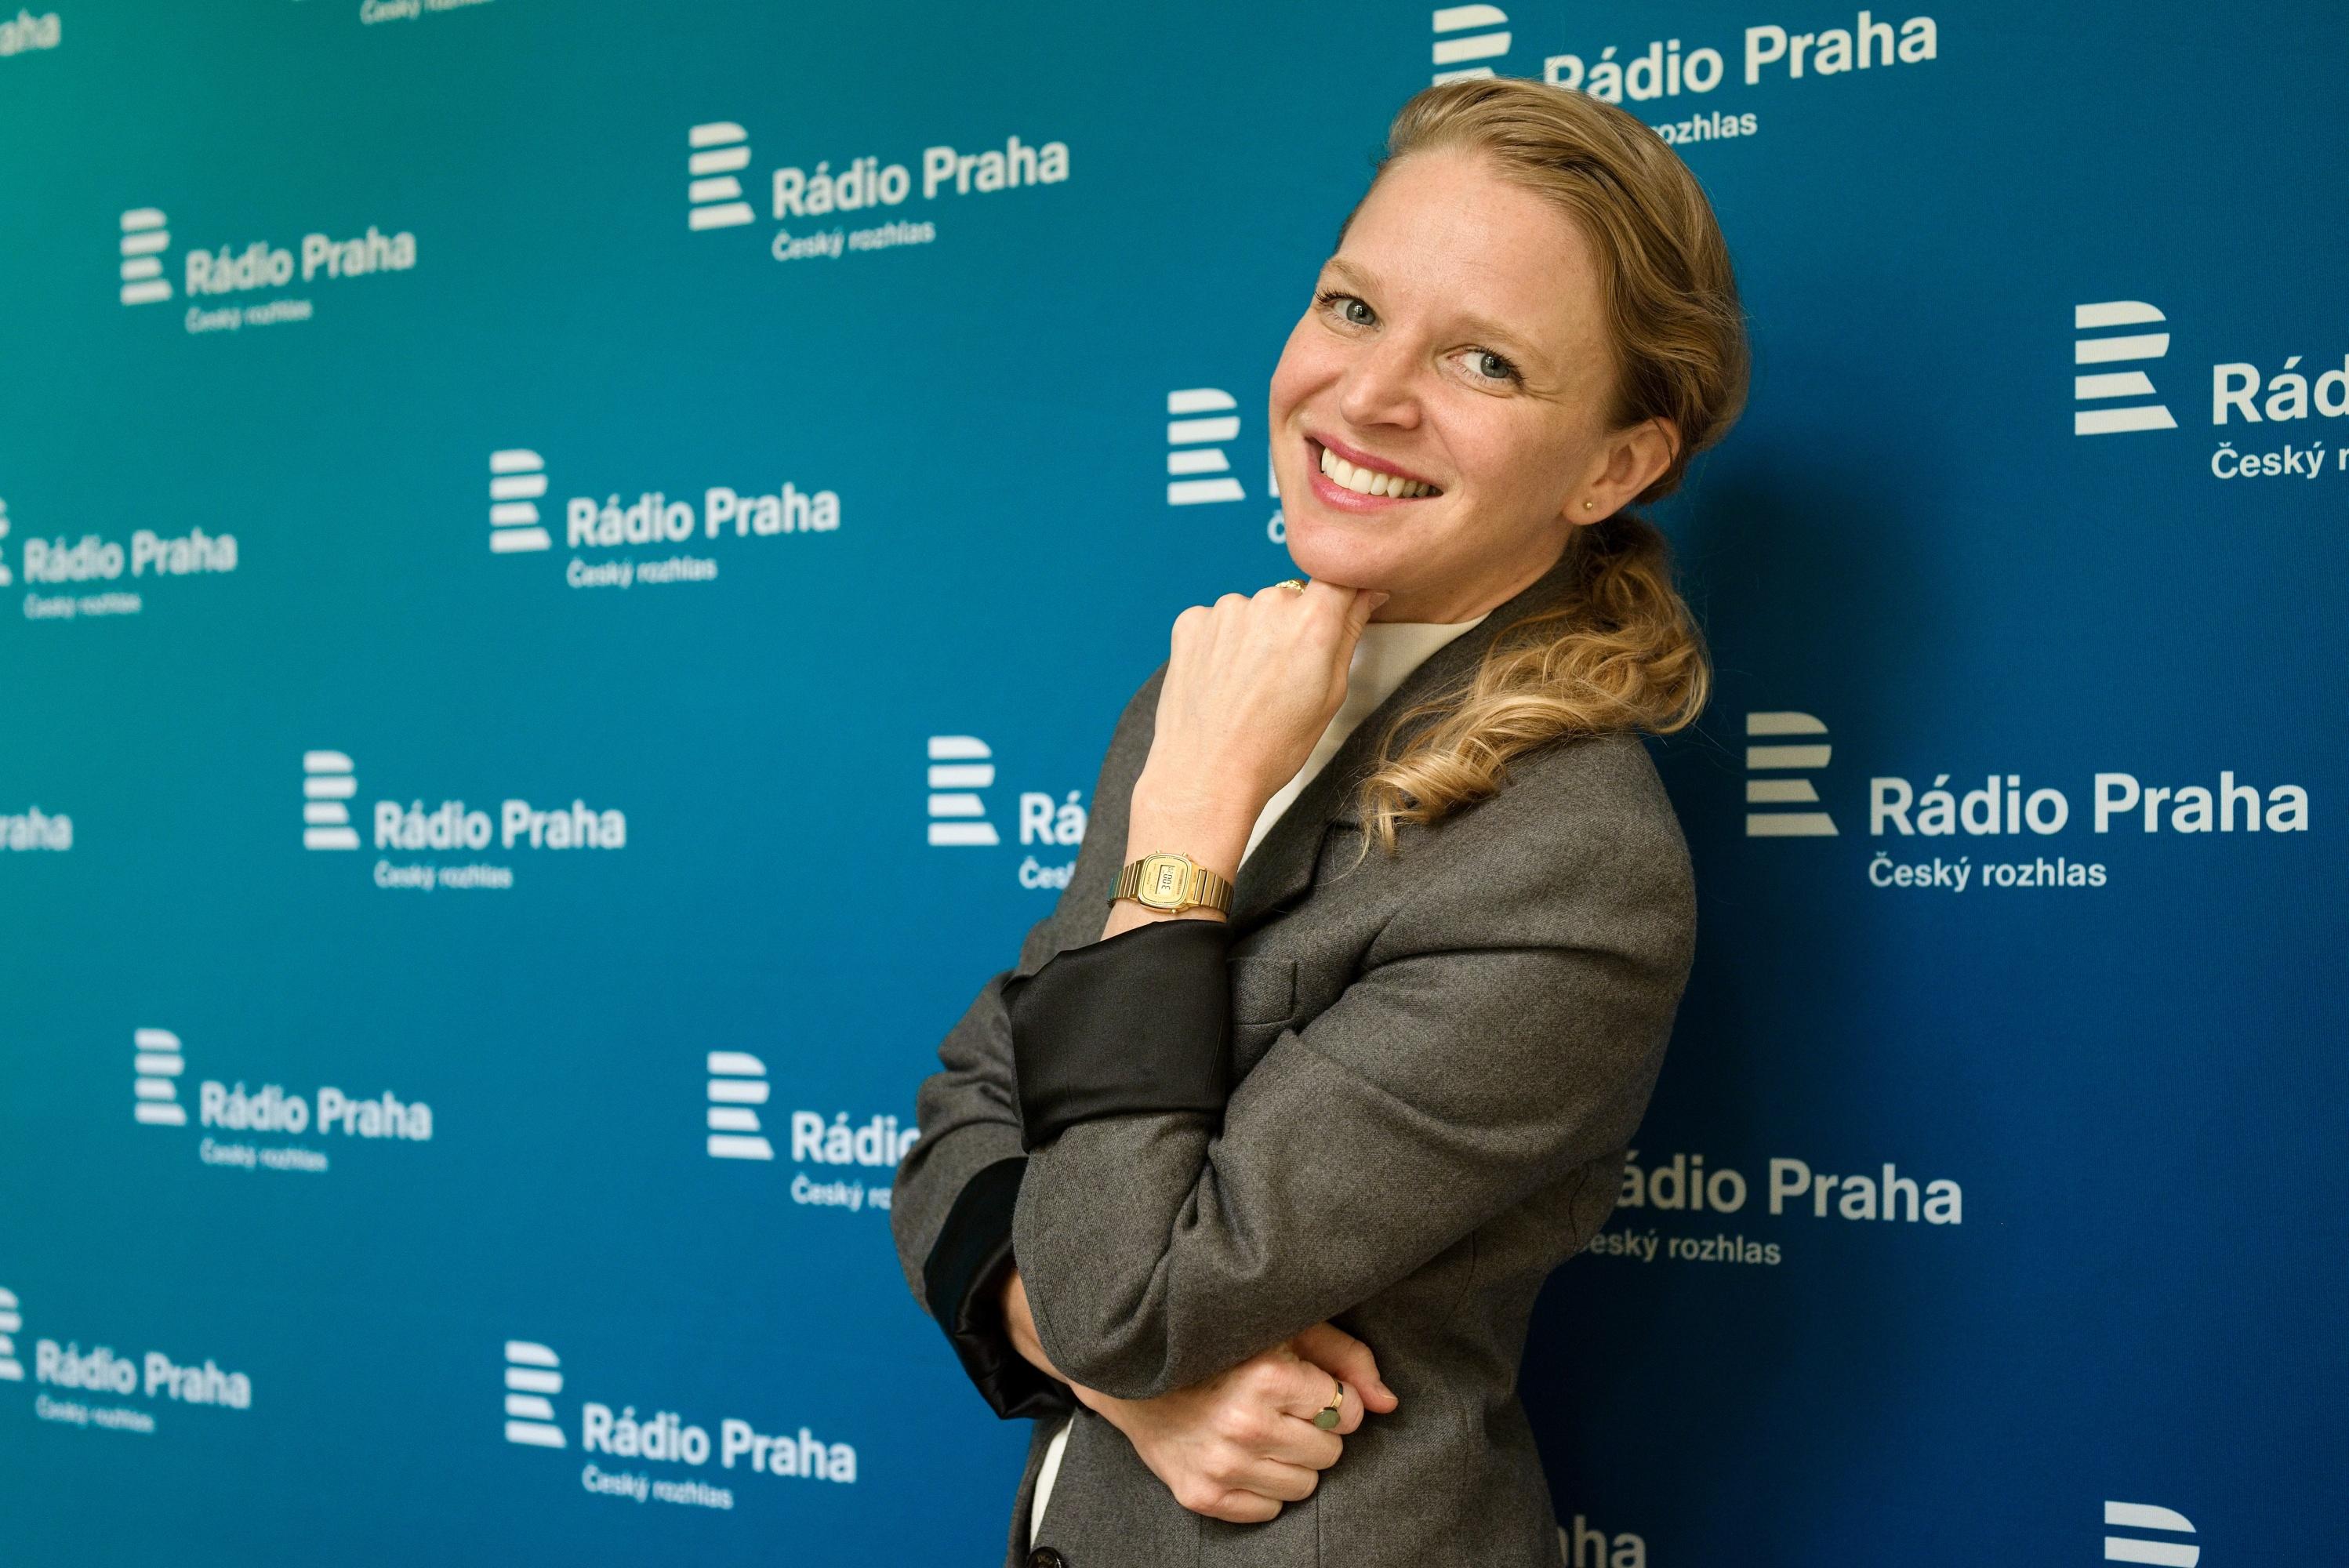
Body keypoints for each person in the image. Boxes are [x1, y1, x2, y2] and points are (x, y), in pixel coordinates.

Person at [890, 74, 1749, 1567]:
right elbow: (965, 1116)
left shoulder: (1572, 866)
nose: (1368, 397)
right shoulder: (1209, 696)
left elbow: (1130, 1296)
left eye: (1483, 361)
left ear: (1616, 465)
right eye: (1354, 308)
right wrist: (1108, 1373)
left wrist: (1188, 827)